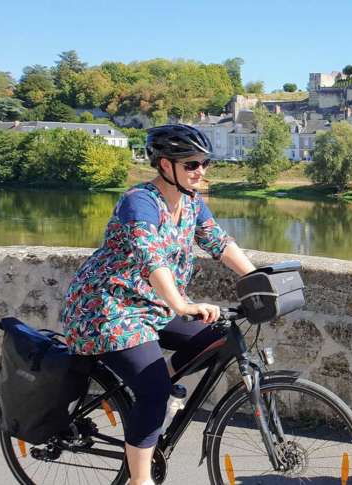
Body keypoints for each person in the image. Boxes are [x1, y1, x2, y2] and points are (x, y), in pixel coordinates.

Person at [60, 124, 257, 485]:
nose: (200, 171)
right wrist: (182, 303)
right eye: (192, 164)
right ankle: (140, 479)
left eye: (204, 164)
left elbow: (219, 242)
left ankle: (155, 388)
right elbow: (151, 259)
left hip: (152, 306)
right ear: (166, 166)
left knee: (213, 338)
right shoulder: (140, 201)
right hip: (107, 309)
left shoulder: (192, 203)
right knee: (153, 391)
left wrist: (257, 278)